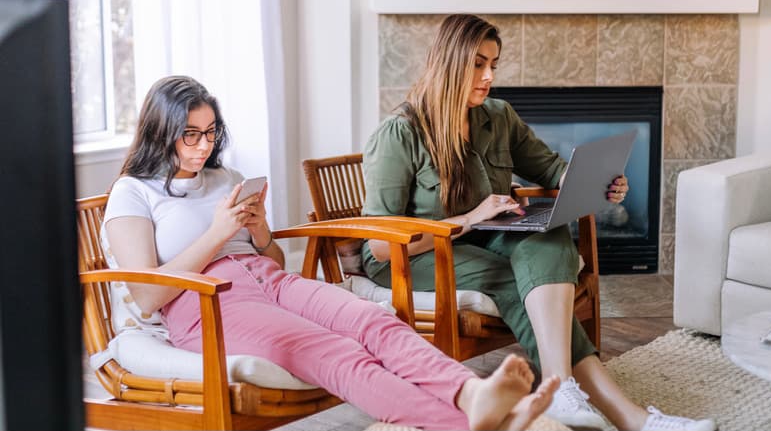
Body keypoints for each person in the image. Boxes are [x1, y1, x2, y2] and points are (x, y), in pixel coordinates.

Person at [102, 75, 561, 431]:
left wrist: (260, 232)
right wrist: (218, 233)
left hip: (270, 280)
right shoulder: (132, 192)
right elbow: (147, 295)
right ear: (160, 132)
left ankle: (472, 394)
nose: (204, 145)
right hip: (206, 302)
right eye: (190, 134)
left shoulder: (226, 177)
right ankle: (468, 425)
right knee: (334, 350)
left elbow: (274, 262)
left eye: (210, 132)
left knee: (373, 320)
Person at [362, 14, 716, 431]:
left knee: (548, 240)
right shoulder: (398, 132)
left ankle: (561, 390)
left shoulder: (497, 116)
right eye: (477, 64)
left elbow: (550, 169)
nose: (489, 75)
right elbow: (383, 244)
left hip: (483, 236)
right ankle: (630, 418)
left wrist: (598, 183)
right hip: (414, 256)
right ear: (448, 61)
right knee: (516, 281)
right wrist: (470, 218)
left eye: (494, 64)